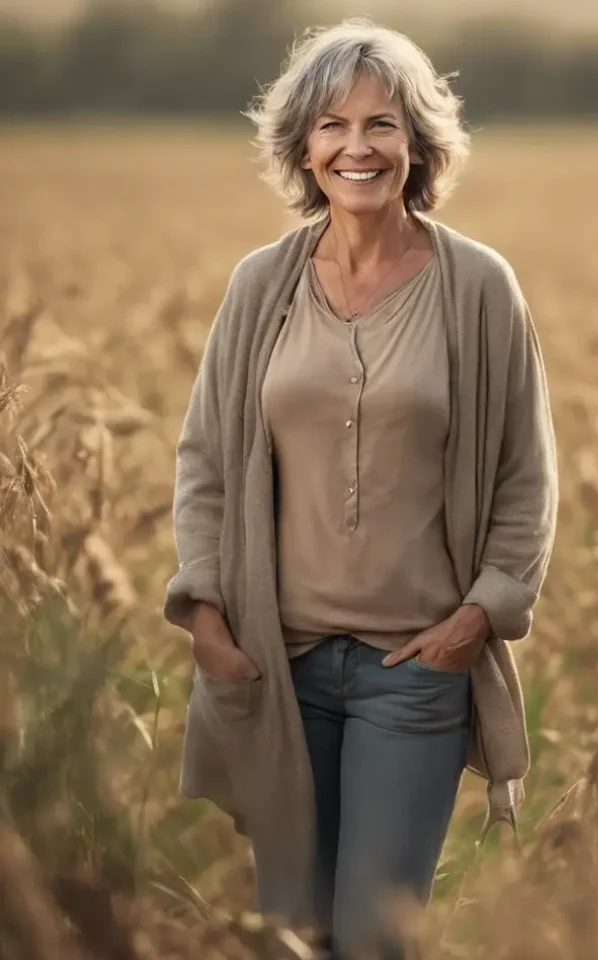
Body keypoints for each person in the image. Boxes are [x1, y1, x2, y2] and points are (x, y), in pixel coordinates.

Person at [163, 18, 558, 960]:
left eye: (383, 124)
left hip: (412, 674)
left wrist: (478, 617)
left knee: (375, 939)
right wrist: (209, 619)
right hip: (278, 667)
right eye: (334, 125)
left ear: (418, 144)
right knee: (292, 935)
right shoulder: (262, 286)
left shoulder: (478, 288)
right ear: (305, 146)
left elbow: (525, 472)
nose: (358, 147)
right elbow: (208, 460)